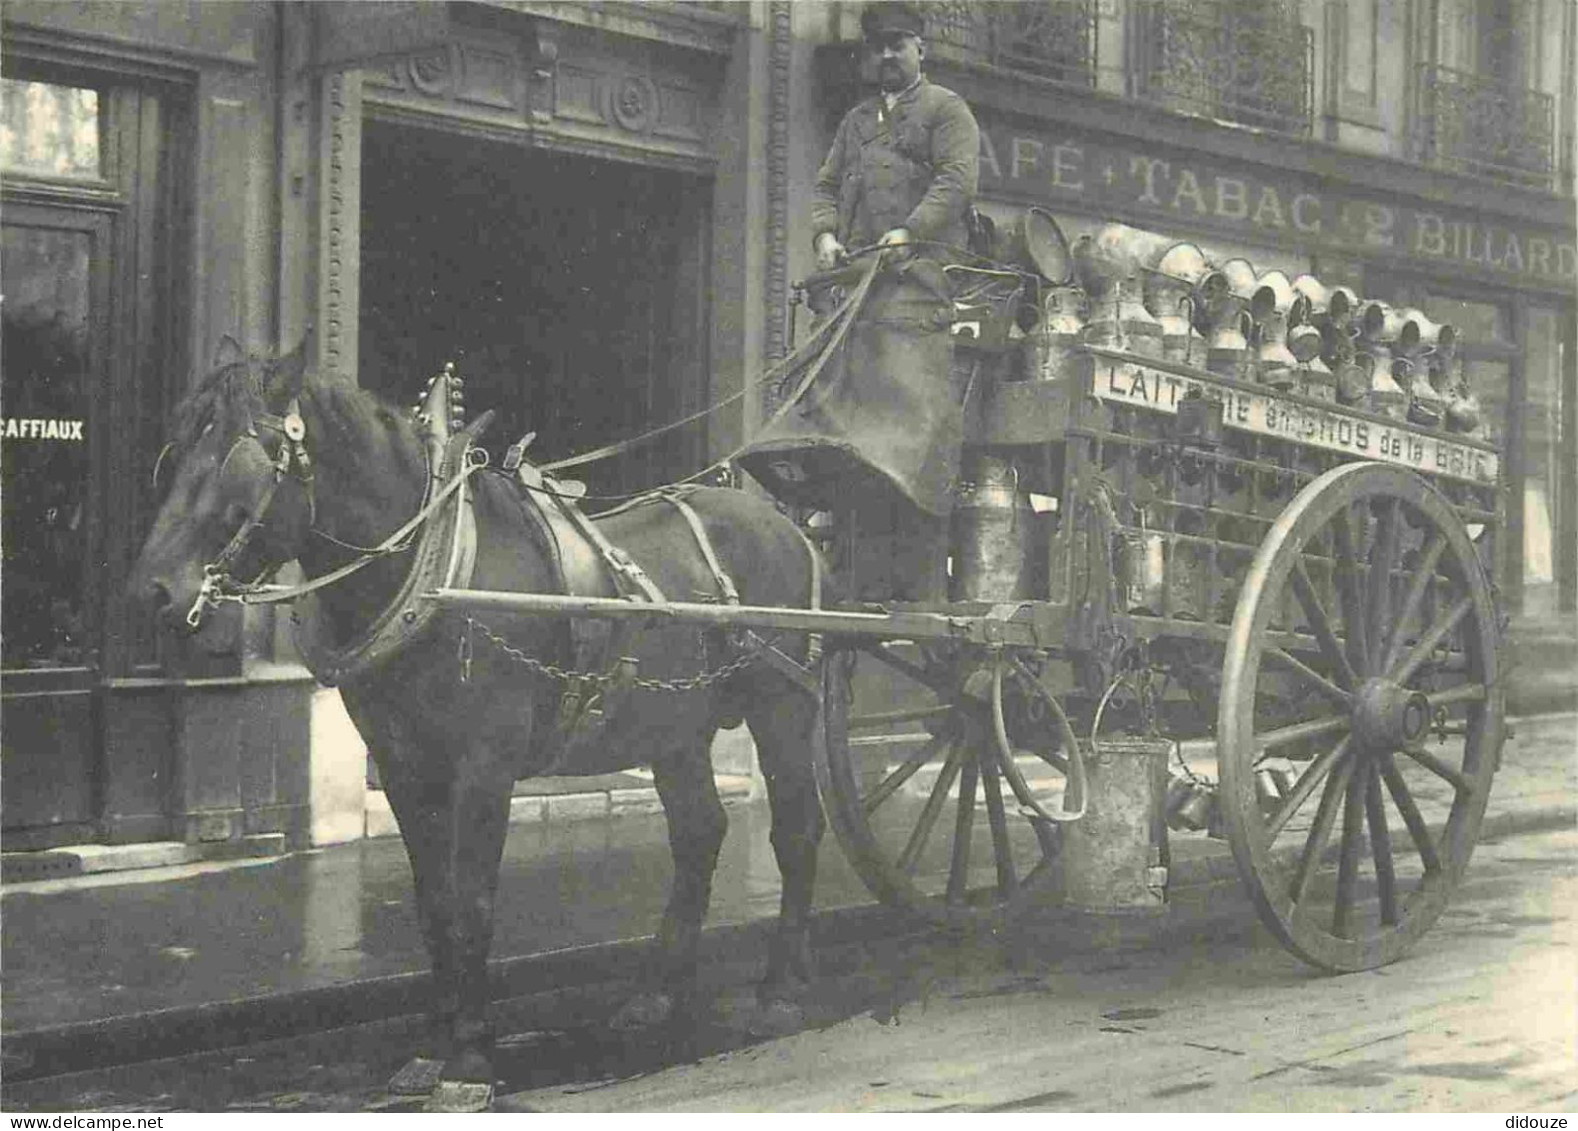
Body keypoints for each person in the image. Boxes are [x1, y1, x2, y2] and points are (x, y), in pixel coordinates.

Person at [738, 1, 980, 601]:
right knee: (842, 443)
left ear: (921, 49)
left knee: (907, 447)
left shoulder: (946, 111)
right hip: (858, 305)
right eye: (879, 47)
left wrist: (911, 230)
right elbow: (824, 185)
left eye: (900, 44)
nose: (889, 56)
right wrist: (823, 234)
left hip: (920, 301)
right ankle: (855, 573)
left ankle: (918, 586)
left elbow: (957, 181)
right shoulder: (855, 122)